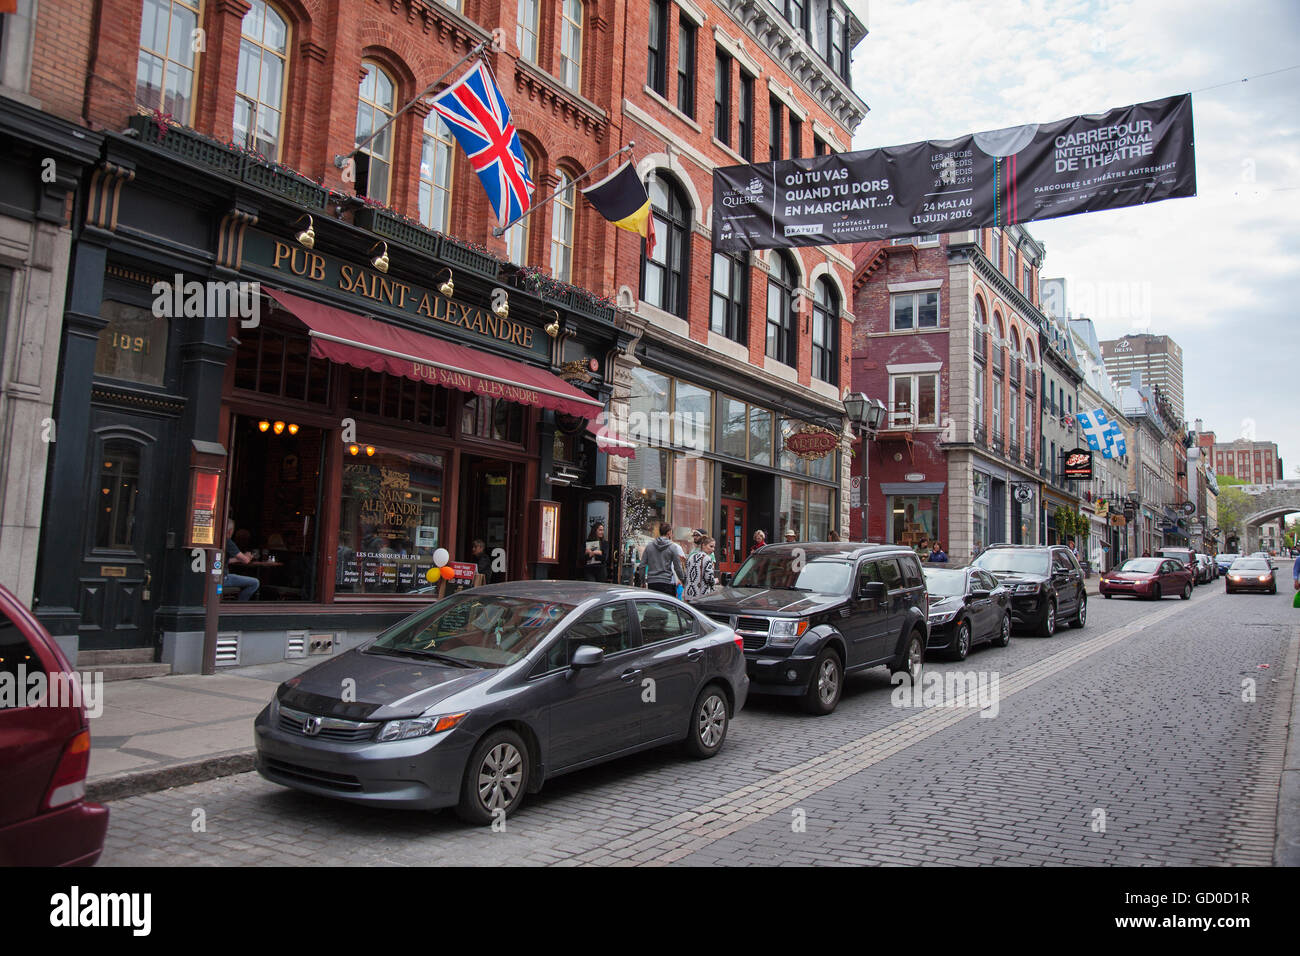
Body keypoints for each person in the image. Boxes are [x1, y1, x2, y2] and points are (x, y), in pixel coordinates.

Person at [643, 521, 686, 597]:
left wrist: (642, 581)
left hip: (652, 582)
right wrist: (683, 580)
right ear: (669, 533)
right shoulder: (673, 547)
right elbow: (677, 567)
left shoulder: (649, 546)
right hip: (667, 582)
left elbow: (642, 565)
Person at [223, 519, 260, 601]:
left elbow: (226, 560)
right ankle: (240, 604)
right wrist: (247, 556)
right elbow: (246, 560)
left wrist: (237, 559)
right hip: (223, 578)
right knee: (255, 582)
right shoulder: (228, 541)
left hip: (214, 577)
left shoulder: (217, 539)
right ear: (230, 530)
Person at [684, 535, 717, 602]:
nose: (713, 549)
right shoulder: (707, 558)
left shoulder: (691, 557)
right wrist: (715, 581)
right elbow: (709, 578)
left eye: (714, 547)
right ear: (703, 545)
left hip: (689, 594)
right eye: (711, 546)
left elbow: (686, 574)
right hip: (702, 595)